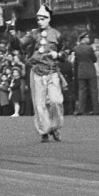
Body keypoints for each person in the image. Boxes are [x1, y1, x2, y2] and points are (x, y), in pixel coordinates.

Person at [28, 10, 67, 142]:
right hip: (37, 71)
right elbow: (19, 44)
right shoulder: (33, 34)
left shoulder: (57, 34)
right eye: (38, 19)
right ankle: (44, 131)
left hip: (52, 71)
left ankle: (55, 128)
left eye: (43, 18)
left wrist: (58, 55)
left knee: (56, 101)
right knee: (39, 104)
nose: (40, 21)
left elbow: (64, 53)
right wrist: (11, 34)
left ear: (49, 19)